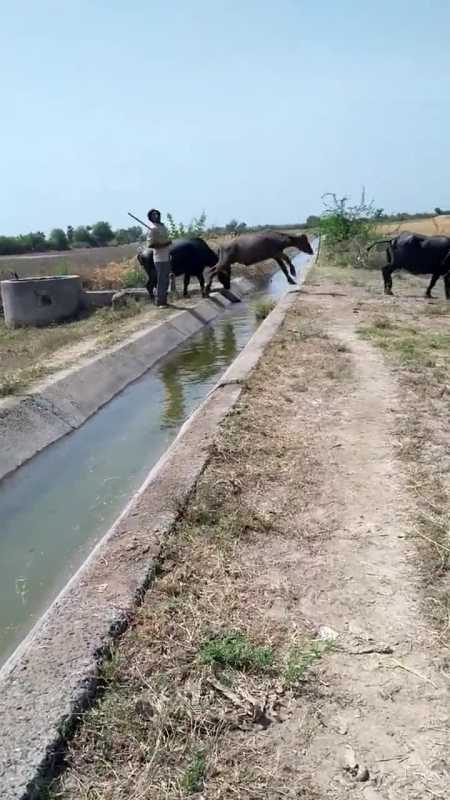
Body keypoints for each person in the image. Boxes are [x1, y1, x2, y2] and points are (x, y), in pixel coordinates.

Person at [146, 208, 171, 307]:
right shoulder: (152, 228)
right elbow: (150, 244)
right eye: (153, 214)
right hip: (159, 258)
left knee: (166, 280)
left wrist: (167, 243)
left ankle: (163, 300)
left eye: (156, 214)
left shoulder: (162, 226)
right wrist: (164, 244)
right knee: (161, 280)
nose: (155, 215)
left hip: (166, 256)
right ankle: (160, 302)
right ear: (150, 217)